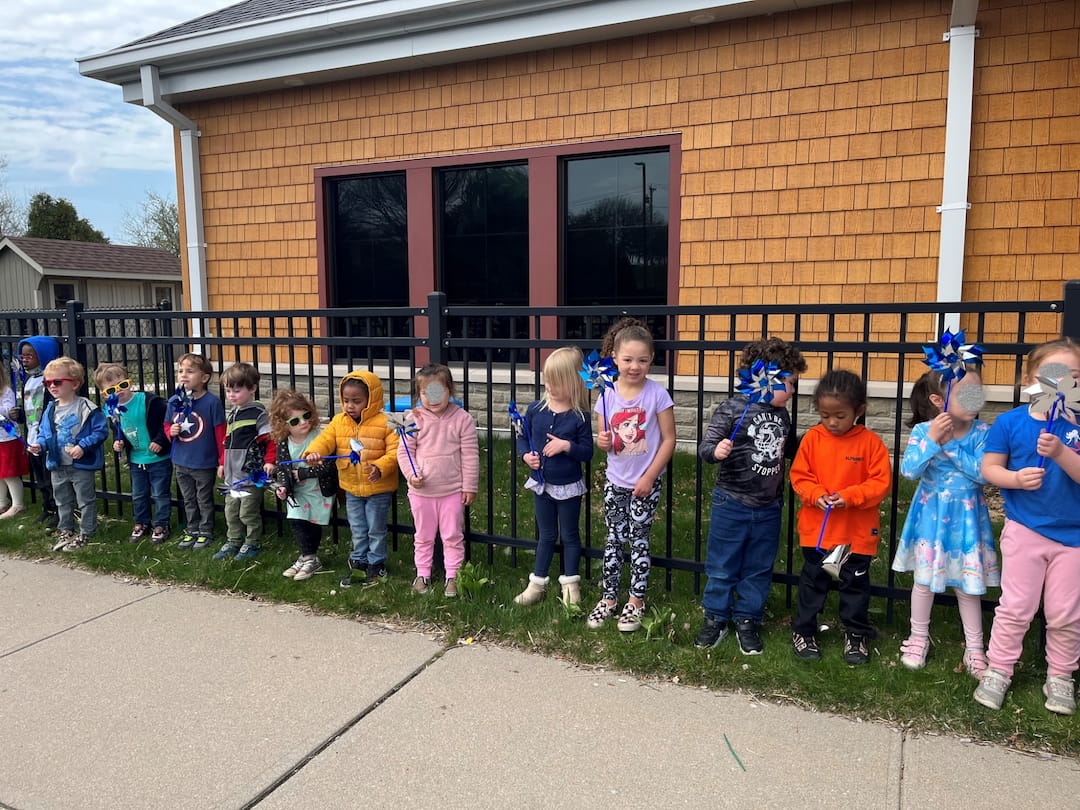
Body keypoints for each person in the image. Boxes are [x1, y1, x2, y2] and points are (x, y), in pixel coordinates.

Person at [974, 339, 1080, 716]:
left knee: (1065, 612)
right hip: (1025, 529)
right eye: (1050, 377)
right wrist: (1016, 479)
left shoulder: (1077, 425)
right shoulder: (1010, 423)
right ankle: (999, 668)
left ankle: (1061, 675)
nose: (1060, 386)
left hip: (1074, 538)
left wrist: (1062, 453)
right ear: (1029, 380)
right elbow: (990, 468)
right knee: (1016, 606)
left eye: (1073, 378)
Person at [693, 337, 807, 654]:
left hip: (769, 506)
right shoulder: (732, 409)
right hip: (732, 502)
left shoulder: (782, 416)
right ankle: (715, 616)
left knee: (758, 566)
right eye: (790, 382)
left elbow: (789, 452)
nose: (794, 390)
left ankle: (747, 618)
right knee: (722, 564)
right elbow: (705, 449)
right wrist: (717, 450)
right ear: (768, 378)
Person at [891, 369, 997, 675]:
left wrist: (949, 445)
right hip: (931, 521)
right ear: (939, 400)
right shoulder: (924, 431)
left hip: (966, 520)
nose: (974, 399)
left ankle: (975, 647)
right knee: (924, 581)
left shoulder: (982, 432)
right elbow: (910, 470)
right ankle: (918, 637)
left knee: (969, 584)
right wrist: (935, 440)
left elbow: (981, 473)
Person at [789, 369, 891, 664]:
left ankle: (855, 634)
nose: (832, 422)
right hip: (818, 531)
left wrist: (851, 497)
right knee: (812, 583)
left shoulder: (871, 443)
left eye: (840, 415)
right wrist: (815, 494)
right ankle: (804, 631)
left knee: (855, 585)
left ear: (859, 411)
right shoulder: (812, 439)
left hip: (856, 533)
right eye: (825, 415)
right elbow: (799, 476)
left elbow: (880, 483)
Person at [587, 317, 676, 633]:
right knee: (614, 538)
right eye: (627, 359)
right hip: (615, 481)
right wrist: (602, 440)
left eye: (641, 359)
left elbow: (669, 439)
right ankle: (608, 598)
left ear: (651, 360)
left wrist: (650, 476)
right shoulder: (606, 393)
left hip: (644, 483)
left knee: (639, 541)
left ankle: (635, 600)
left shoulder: (656, 395)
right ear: (615, 358)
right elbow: (603, 439)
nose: (634, 366)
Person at [512, 347, 594, 607]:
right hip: (541, 484)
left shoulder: (580, 417)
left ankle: (571, 585)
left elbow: (587, 452)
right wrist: (526, 456)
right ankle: (537, 584)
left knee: (569, 535)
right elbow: (522, 436)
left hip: (568, 486)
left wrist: (566, 446)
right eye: (547, 380)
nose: (549, 386)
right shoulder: (536, 409)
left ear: (573, 383)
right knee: (546, 534)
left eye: (556, 382)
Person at [305, 370, 399, 586]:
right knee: (357, 527)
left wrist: (379, 466)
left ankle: (377, 564)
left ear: (371, 399)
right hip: (350, 487)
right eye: (346, 400)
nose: (350, 406)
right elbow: (325, 440)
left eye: (356, 401)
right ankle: (359, 562)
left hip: (378, 488)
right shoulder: (339, 422)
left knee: (376, 529)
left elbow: (395, 452)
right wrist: (313, 452)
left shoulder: (386, 422)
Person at [397, 364, 477, 598]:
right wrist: (412, 475)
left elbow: (470, 454)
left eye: (437, 392)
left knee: (452, 535)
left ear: (449, 390)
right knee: (423, 535)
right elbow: (404, 452)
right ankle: (423, 573)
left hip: (452, 491)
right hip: (421, 493)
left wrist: (469, 485)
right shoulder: (412, 418)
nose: (432, 399)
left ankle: (454, 575)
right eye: (426, 394)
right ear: (419, 394)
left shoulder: (463, 419)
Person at [30, 357, 107, 552]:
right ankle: (66, 529)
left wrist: (83, 446)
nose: (51, 386)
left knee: (85, 499)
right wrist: (40, 444)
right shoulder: (50, 408)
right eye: (47, 383)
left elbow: (100, 431)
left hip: (81, 464)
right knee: (62, 499)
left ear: (74, 384)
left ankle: (87, 531)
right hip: (57, 463)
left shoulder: (86, 408)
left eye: (57, 382)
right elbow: (44, 433)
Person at [96, 362, 173, 544]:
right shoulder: (112, 410)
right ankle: (142, 522)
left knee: (160, 493)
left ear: (129, 382)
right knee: (139, 493)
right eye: (111, 390)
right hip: (136, 459)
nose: (119, 391)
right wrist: (118, 441)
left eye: (122, 385)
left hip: (158, 457)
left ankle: (161, 524)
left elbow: (167, 422)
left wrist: (160, 440)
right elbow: (118, 429)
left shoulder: (149, 402)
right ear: (104, 394)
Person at [213, 362, 276, 561]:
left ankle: (252, 543)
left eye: (237, 390)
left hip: (250, 474)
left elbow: (270, 440)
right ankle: (233, 540)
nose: (231, 395)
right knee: (231, 511)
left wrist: (269, 461)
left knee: (247, 512)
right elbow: (227, 443)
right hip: (232, 476)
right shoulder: (232, 414)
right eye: (228, 390)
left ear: (252, 389)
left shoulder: (258, 414)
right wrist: (222, 463)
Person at [271, 390, 336, 582]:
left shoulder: (320, 437)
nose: (303, 423)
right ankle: (307, 556)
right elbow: (282, 469)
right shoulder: (284, 443)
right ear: (284, 425)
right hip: (297, 492)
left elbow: (330, 466)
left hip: (318, 490)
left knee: (311, 522)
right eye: (295, 421)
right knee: (297, 520)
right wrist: (282, 487)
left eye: (306, 416)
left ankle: (310, 557)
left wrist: (303, 473)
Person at [165, 353, 226, 551]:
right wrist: (170, 431)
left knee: (203, 498)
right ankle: (192, 529)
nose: (183, 375)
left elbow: (220, 433)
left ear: (204, 378)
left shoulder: (211, 402)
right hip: (181, 460)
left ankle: (206, 530)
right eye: (181, 371)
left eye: (190, 371)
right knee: (188, 498)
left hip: (204, 461)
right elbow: (167, 425)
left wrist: (222, 460)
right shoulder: (175, 400)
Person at [14, 336, 63, 528]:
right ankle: (47, 508)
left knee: (52, 478)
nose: (25, 359)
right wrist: (19, 416)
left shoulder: (49, 381)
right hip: (32, 437)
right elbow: (29, 409)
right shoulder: (28, 380)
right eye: (22, 355)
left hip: (47, 438)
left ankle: (59, 511)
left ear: (42, 356)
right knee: (41, 478)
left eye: (30, 355)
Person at [0, 360, 30, 518]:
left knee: (9, 474)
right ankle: (2, 502)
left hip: (7, 438)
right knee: (0, 473)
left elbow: (9, 409)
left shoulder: (6, 391)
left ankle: (18, 504)